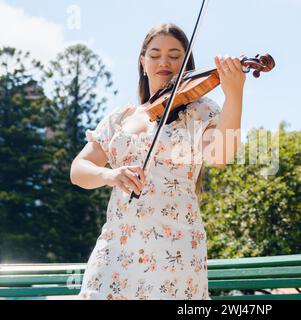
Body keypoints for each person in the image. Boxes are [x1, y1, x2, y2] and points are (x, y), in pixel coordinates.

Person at [70, 23, 245, 300]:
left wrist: (234, 94)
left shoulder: (200, 110)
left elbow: (220, 156)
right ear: (143, 62)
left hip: (175, 250)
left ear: (187, 63)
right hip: (117, 247)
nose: (164, 61)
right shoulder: (122, 117)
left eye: (175, 55)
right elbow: (79, 170)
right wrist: (110, 176)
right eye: (155, 54)